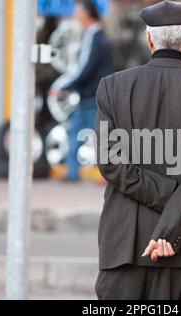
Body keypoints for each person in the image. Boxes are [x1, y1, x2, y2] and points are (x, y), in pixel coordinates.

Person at [94, 0, 181, 300]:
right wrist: (176, 214)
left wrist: (170, 208)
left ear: (149, 40)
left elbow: (111, 164)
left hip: (125, 245)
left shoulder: (111, 87)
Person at [50, 0, 113, 182]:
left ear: (87, 13)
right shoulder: (92, 35)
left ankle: (108, 175)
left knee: (103, 137)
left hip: (95, 96)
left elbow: (84, 68)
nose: (75, 15)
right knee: (77, 132)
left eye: (77, 11)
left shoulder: (95, 36)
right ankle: (72, 173)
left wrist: (63, 87)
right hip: (89, 95)